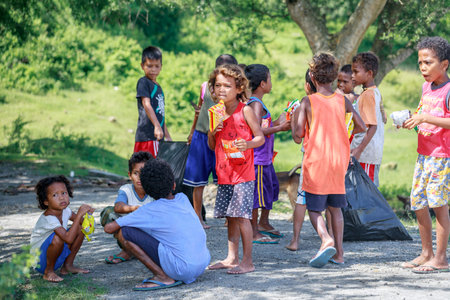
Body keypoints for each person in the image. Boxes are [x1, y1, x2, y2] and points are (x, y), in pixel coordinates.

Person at [291, 53, 365, 267]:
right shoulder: (342, 100)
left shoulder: (308, 101)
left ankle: (326, 238)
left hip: (316, 161)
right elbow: (360, 126)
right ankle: (339, 254)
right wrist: (343, 133)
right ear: (334, 78)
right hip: (338, 161)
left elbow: (297, 137)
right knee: (335, 209)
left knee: (314, 208)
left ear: (312, 77)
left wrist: (295, 118)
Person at [104, 158, 210, 290]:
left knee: (125, 232)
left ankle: (162, 277)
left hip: (182, 269)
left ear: (147, 190)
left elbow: (109, 229)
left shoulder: (148, 209)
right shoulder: (182, 198)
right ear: (173, 185)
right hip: (203, 262)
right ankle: (167, 273)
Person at [207, 64, 265, 274]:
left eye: (227, 86)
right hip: (224, 174)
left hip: (243, 174)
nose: (222, 90)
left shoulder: (246, 110)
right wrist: (213, 131)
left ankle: (247, 261)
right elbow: (212, 145)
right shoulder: (215, 113)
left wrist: (247, 144)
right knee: (231, 217)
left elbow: (260, 137)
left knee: (242, 216)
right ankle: (232, 258)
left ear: (239, 88)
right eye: (218, 85)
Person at [402, 36, 450, 274]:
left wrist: (425, 118)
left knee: (439, 204)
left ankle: (440, 258)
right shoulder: (426, 87)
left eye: (428, 62)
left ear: (444, 64)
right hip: (424, 154)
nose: (423, 68)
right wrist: (412, 120)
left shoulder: (449, 90)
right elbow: (423, 113)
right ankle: (426, 253)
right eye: (420, 62)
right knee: (418, 202)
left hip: (442, 156)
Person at [184, 54, 239, 229]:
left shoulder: (235, 91)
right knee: (198, 181)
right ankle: (197, 218)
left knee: (225, 179)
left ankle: (228, 217)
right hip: (201, 136)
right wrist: (192, 132)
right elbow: (199, 111)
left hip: (223, 139)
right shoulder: (205, 87)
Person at [245, 64, 290, 244]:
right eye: (269, 79)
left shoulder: (258, 103)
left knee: (271, 189)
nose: (271, 82)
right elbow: (257, 130)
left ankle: (263, 223)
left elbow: (264, 125)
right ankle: (254, 232)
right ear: (263, 84)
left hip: (265, 159)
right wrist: (279, 128)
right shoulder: (255, 104)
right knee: (258, 197)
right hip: (257, 160)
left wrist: (280, 120)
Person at [30, 176, 94, 282]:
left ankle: (67, 266)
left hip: (55, 256)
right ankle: (48, 272)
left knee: (79, 228)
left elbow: (82, 223)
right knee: (58, 237)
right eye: (55, 195)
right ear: (46, 201)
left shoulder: (66, 211)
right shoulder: (49, 218)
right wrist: (78, 215)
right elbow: (68, 239)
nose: (61, 198)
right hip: (40, 261)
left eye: (64, 193)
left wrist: (88, 215)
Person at [101, 151, 154, 264]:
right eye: (136, 173)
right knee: (108, 213)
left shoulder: (154, 191)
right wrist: (134, 208)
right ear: (130, 175)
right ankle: (128, 250)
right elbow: (118, 207)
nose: (139, 177)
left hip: (150, 234)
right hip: (130, 231)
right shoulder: (126, 189)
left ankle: (136, 251)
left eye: (144, 173)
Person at [286, 69, 315, 252]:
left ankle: (295, 240)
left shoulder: (306, 102)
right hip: (332, 158)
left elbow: (298, 136)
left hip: (311, 157)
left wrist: (292, 121)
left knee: (302, 198)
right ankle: (335, 243)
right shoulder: (337, 101)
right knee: (331, 202)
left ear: (307, 85)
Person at [350, 52, 386, 186]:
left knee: (366, 195)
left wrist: (358, 150)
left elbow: (373, 126)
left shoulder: (367, 95)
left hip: (365, 154)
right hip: (368, 153)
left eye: (356, 71)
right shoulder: (374, 92)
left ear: (369, 73)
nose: (352, 75)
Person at [134, 46, 172, 157]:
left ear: (161, 67)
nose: (153, 70)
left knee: (152, 171)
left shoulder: (158, 87)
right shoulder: (143, 82)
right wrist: (156, 126)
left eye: (157, 66)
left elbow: (160, 114)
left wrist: (167, 135)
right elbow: (146, 104)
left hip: (158, 136)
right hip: (147, 136)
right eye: (149, 66)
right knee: (144, 169)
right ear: (142, 66)